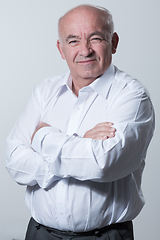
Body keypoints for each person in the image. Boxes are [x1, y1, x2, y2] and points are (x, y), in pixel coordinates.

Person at [6, 4, 155, 240]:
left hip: (104, 236)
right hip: (39, 233)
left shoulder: (133, 96)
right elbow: (15, 163)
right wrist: (81, 144)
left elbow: (103, 163)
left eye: (95, 38)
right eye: (73, 40)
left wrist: (44, 138)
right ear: (61, 48)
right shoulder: (45, 91)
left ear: (114, 42)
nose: (85, 50)